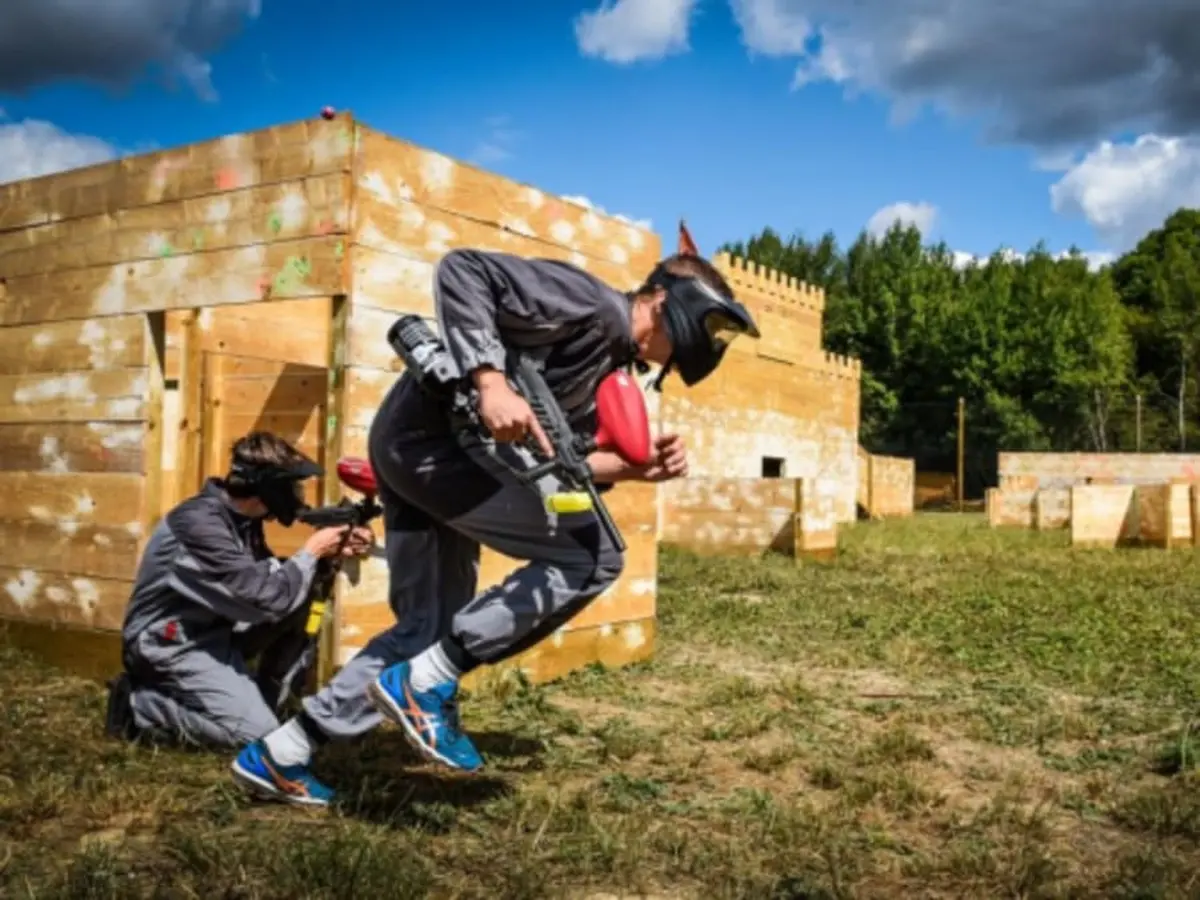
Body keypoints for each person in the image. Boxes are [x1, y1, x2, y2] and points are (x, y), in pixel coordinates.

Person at [230, 248, 760, 806]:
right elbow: (465, 270)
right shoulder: (595, 306)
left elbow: (563, 457)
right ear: (665, 302)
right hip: (437, 456)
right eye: (703, 330)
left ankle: (282, 752)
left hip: (410, 452)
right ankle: (425, 683)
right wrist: (491, 383)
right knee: (593, 557)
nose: (690, 353)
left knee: (426, 631)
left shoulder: (606, 365)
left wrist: (637, 468)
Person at [104, 431, 374, 750]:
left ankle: (267, 701)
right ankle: (139, 707)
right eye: (291, 486)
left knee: (303, 595)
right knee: (255, 738)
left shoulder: (241, 520)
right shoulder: (199, 525)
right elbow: (266, 599)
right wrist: (312, 550)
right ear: (268, 487)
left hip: (214, 632)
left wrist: (325, 557)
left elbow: (268, 580)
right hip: (167, 643)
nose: (297, 495)